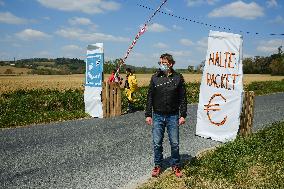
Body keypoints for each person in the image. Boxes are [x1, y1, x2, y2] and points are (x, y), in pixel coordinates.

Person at [145, 53, 187, 178]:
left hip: (173, 116)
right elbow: (150, 97)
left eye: (164, 63)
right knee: (157, 143)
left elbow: (183, 98)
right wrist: (148, 114)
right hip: (157, 115)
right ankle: (158, 165)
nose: (162, 65)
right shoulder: (155, 78)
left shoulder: (178, 78)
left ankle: (176, 165)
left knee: (174, 143)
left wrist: (183, 115)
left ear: (171, 64)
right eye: (160, 63)